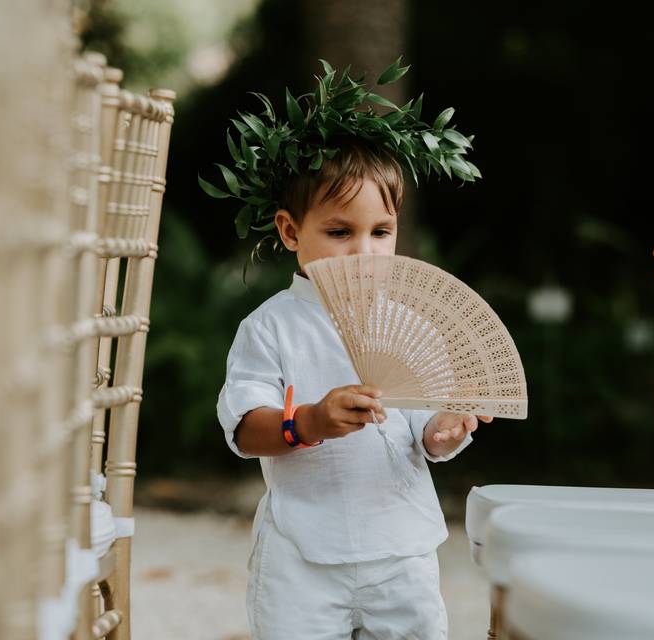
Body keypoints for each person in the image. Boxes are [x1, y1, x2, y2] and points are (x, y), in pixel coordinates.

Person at [205, 60, 491, 639]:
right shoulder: (270, 328)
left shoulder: (409, 320)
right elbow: (243, 428)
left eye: (380, 232)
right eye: (340, 232)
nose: (363, 250)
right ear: (290, 232)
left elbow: (423, 431)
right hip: (301, 557)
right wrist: (308, 420)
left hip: (402, 551)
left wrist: (445, 430)